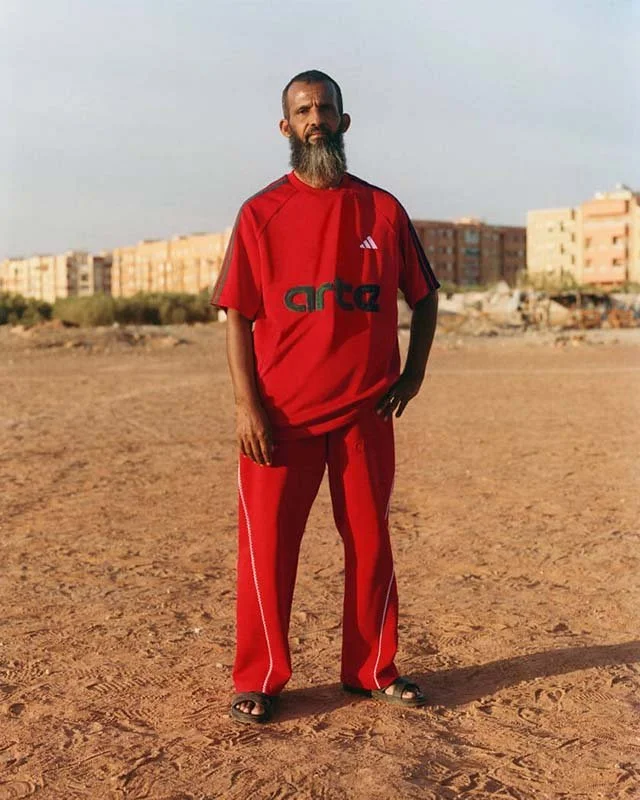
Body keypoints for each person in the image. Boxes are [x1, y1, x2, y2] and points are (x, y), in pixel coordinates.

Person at [211, 69, 439, 724]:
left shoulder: (382, 210)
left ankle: (372, 670)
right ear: (286, 128)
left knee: (371, 541)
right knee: (267, 549)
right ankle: (259, 678)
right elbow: (236, 315)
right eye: (303, 110)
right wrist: (246, 406)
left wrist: (414, 372)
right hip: (279, 418)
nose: (316, 119)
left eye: (326, 108)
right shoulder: (260, 213)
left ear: (344, 120)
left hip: (366, 411)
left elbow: (424, 298)